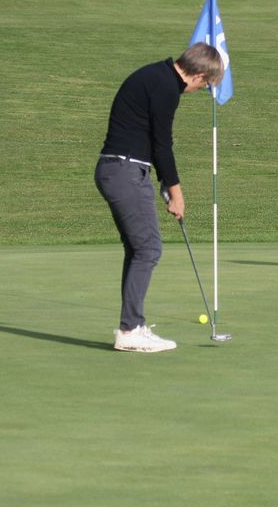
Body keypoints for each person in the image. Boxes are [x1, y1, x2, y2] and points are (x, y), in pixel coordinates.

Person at [96, 42, 225, 352]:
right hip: (125, 170)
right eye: (205, 85)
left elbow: (150, 139)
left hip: (121, 169)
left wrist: (165, 183)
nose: (201, 89)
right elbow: (162, 145)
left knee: (139, 249)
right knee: (149, 248)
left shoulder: (156, 75)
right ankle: (130, 331)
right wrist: (176, 192)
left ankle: (133, 325)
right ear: (198, 75)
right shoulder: (166, 87)